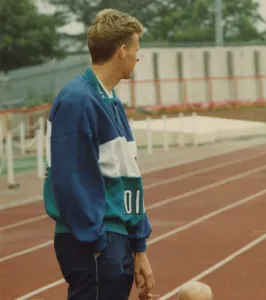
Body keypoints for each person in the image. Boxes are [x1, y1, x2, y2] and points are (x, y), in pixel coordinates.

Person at [43, 8, 154, 300]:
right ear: (121, 51)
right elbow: (71, 180)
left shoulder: (111, 101)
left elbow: (128, 177)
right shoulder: (78, 101)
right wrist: (97, 242)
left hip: (115, 238)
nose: (137, 57)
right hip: (94, 240)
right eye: (136, 49)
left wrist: (138, 246)